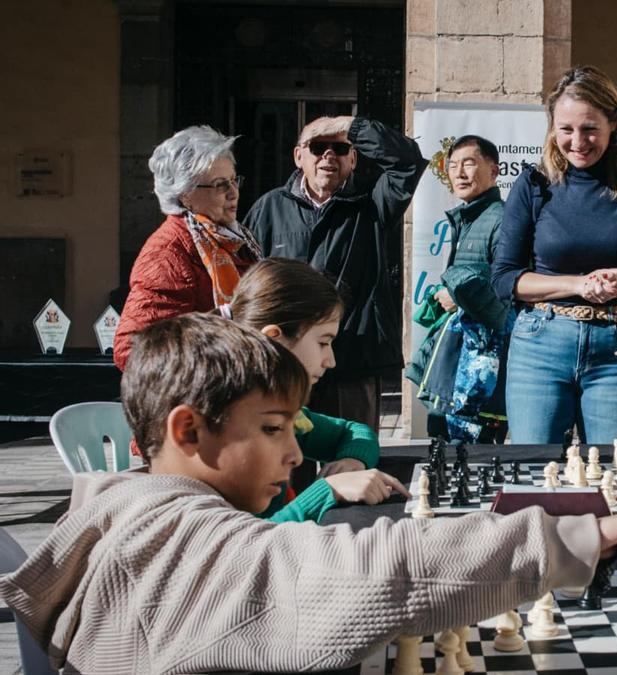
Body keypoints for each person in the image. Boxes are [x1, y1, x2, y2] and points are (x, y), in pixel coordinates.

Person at [0, 313, 617, 673]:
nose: (294, 453)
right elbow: (383, 572)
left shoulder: (120, 516)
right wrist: (573, 536)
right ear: (189, 429)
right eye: (271, 428)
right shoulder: (196, 553)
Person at [491, 66, 617, 444]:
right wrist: (578, 284)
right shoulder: (534, 184)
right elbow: (505, 278)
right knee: (536, 473)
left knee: (611, 476)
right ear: (552, 129)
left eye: (590, 128)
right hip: (540, 346)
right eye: (566, 129)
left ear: (614, 126)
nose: (578, 141)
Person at [245, 116, 426, 431]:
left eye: (340, 148)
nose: (329, 155)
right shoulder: (269, 207)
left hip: (350, 361)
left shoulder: (371, 204)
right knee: (285, 467)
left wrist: (351, 126)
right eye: (318, 147)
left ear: (353, 159)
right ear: (299, 156)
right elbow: (246, 281)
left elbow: (408, 161)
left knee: (349, 461)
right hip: (284, 361)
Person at [229, 257, 406, 523]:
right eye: (323, 342)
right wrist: (328, 490)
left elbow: (355, 431)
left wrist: (352, 461)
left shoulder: (282, 409)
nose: (331, 361)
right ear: (274, 339)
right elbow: (245, 543)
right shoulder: (229, 427)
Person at [113, 125, 261, 370]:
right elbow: (134, 351)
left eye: (234, 180)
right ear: (184, 194)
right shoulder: (168, 252)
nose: (233, 193)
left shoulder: (231, 238)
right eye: (219, 184)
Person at [406, 135, 512, 443]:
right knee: (444, 444)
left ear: (494, 172)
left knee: (469, 454)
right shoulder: (468, 217)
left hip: (479, 366)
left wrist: (458, 291)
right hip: (458, 356)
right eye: (453, 165)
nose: (459, 173)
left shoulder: (500, 218)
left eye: (469, 163)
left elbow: (506, 282)